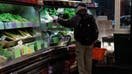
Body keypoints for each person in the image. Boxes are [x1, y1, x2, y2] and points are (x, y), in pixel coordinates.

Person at [57, 2, 99, 74]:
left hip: (80, 43)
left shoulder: (77, 17)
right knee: (88, 60)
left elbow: (68, 24)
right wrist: (93, 40)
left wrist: (59, 20)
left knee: (81, 61)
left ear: (79, 8)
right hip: (90, 43)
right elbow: (96, 29)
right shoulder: (91, 17)